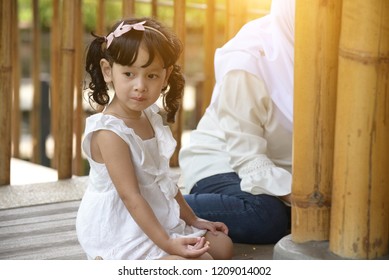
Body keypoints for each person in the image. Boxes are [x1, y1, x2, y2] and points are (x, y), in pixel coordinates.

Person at [76, 17, 233, 260]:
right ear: (108, 71)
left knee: (222, 245)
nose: (140, 86)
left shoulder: (148, 116)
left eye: (151, 76)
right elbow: (131, 197)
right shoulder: (110, 132)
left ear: (166, 76)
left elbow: (161, 178)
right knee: (202, 263)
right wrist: (169, 243)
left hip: (153, 213)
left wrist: (193, 219)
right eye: (129, 73)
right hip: (122, 226)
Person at [179, 0, 295, 244]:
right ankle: (155, 206)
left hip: (288, 177)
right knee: (264, 217)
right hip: (225, 164)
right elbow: (249, 161)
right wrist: (311, 200)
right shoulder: (248, 59)